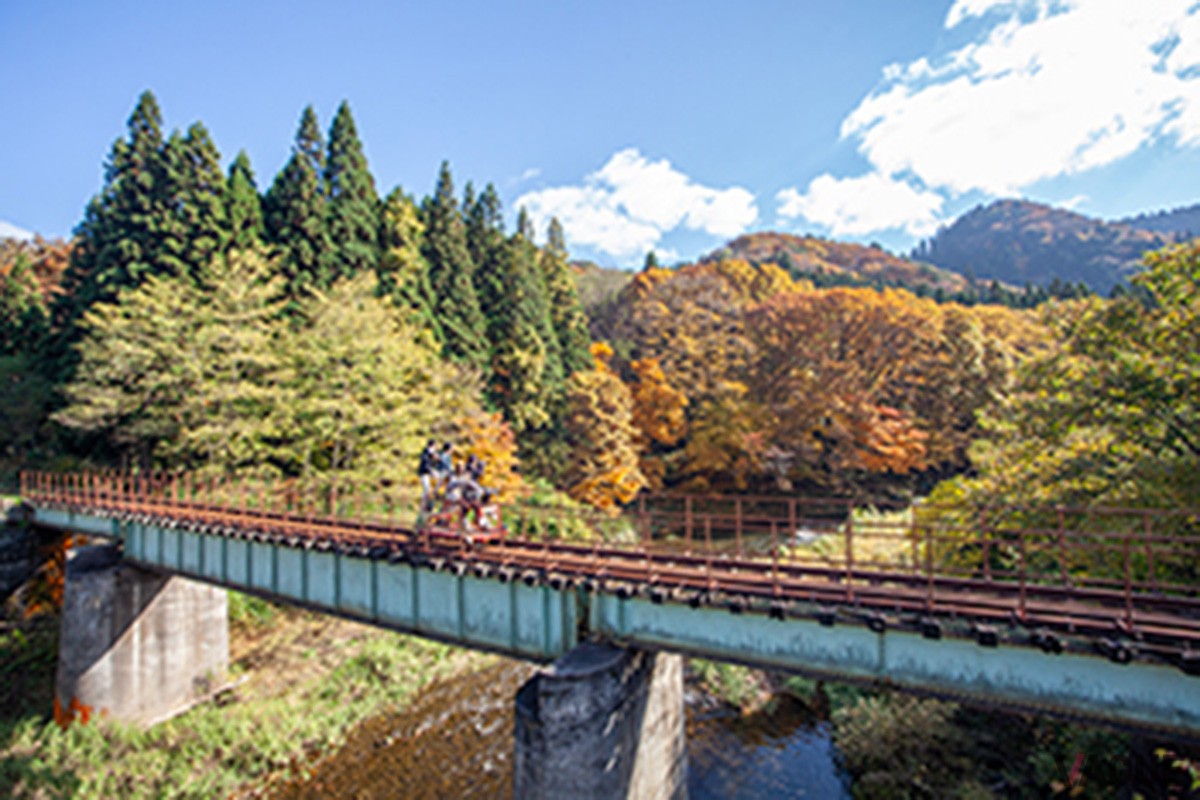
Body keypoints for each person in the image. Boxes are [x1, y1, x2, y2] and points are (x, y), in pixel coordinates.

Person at [417, 439, 438, 512]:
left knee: (428, 489)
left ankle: (425, 505)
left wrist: (434, 460)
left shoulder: (429, 453)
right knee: (427, 488)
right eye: (435, 446)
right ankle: (423, 505)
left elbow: (431, 464)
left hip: (426, 473)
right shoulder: (426, 453)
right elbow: (425, 464)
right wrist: (431, 471)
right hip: (423, 473)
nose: (436, 447)